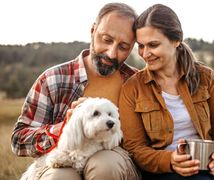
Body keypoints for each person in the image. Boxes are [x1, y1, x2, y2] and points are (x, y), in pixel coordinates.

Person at [119, 4, 214, 180]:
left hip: (206, 161)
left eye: (153, 45)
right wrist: (171, 160)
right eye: (140, 46)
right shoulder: (133, 87)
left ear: (176, 40)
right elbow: (136, 149)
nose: (145, 53)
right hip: (163, 171)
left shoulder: (205, 77)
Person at [11, 3, 140, 180]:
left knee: (104, 166)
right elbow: (19, 140)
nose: (111, 53)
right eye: (107, 40)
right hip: (62, 159)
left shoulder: (138, 83)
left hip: (115, 162)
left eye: (123, 47)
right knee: (60, 177)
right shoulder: (53, 79)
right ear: (93, 30)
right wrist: (63, 128)